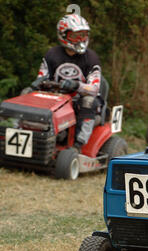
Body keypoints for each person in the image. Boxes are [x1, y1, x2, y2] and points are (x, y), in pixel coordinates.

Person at [27, 13, 102, 151]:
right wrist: (33, 86)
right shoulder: (52, 54)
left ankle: (77, 146)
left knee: (88, 102)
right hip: (55, 98)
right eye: (75, 36)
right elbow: (42, 76)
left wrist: (76, 85)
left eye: (83, 35)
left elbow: (95, 88)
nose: (80, 39)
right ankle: (31, 136)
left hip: (80, 100)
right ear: (63, 35)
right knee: (27, 95)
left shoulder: (91, 58)